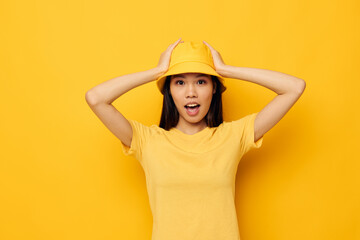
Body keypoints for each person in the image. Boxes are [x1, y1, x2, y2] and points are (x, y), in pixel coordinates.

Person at [85, 38, 306, 240]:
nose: (191, 92)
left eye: (201, 82)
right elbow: (96, 99)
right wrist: (157, 72)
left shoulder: (232, 136)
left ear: (214, 89)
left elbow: (294, 88)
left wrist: (225, 70)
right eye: (179, 83)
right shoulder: (148, 141)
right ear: (169, 91)